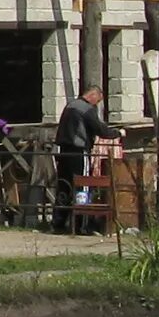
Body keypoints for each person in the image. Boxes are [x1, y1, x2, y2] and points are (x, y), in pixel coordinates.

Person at [54, 82, 110, 225]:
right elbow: (100, 129)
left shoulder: (70, 106)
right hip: (79, 151)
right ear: (93, 95)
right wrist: (117, 133)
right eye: (97, 101)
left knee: (64, 185)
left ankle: (58, 223)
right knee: (82, 185)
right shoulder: (86, 109)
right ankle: (81, 224)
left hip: (64, 151)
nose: (97, 104)